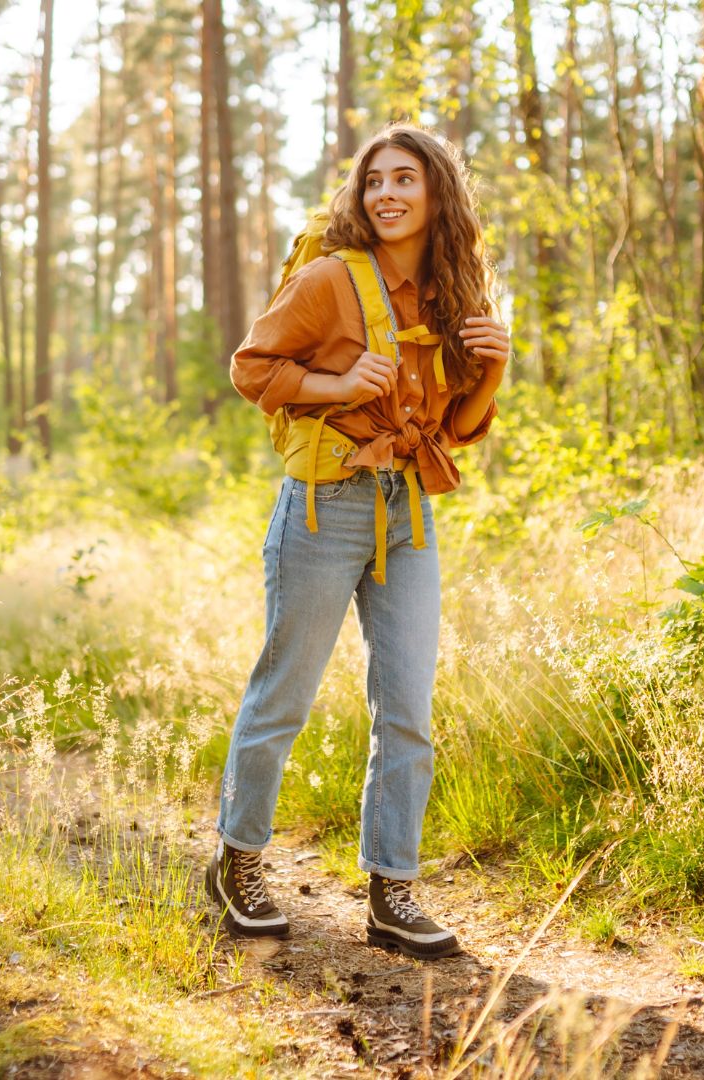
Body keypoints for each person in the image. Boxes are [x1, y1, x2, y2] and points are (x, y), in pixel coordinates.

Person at [206, 124, 511, 960]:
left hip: (409, 510)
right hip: (322, 508)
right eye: (374, 181)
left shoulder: (454, 293)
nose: (385, 194)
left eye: (405, 179)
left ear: (437, 194)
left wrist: (491, 369)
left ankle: (393, 891)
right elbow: (251, 367)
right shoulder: (329, 280)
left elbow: (460, 428)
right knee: (284, 697)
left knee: (408, 707)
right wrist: (337, 383)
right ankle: (239, 863)